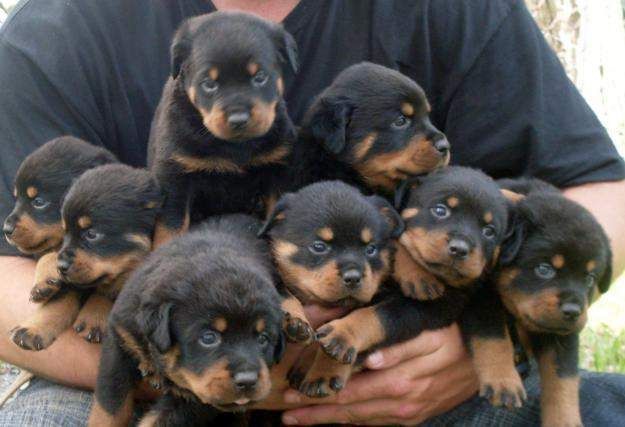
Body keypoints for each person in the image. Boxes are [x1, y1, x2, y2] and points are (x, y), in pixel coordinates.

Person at [0, 0, 624, 425]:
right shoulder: (62, 29)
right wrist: (236, 374)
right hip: (145, 375)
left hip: (431, 370)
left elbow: (602, 194)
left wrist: (478, 347)